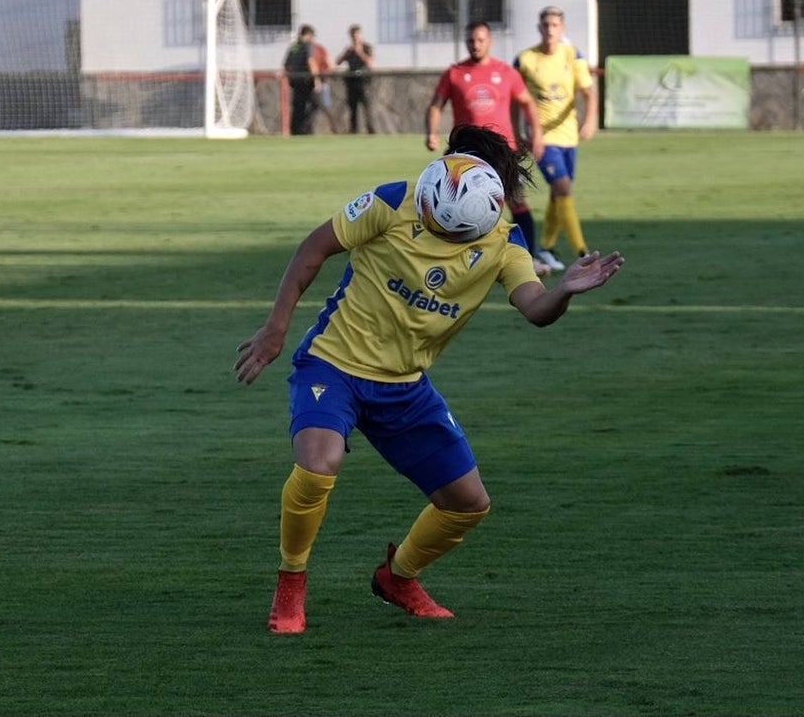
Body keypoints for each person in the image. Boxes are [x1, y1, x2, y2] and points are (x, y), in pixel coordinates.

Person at [234, 124, 624, 634]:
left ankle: (398, 577)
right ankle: (291, 583)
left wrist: (565, 290)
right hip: (333, 364)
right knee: (318, 464)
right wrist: (274, 329)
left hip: (404, 387)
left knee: (468, 503)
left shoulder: (506, 242)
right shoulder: (394, 200)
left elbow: (534, 308)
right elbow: (312, 250)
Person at [426, 20, 551, 277]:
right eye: (471, 40)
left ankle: (527, 257)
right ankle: (454, 260)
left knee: (517, 203)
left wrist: (536, 135)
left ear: (490, 41)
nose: (475, 45)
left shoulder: (506, 72)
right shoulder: (455, 73)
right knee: (459, 206)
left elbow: (527, 103)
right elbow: (436, 105)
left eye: (480, 40)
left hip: (503, 152)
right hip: (465, 155)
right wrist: (432, 132)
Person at [514, 5, 599, 271]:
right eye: (545, 25)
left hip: (569, 136)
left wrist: (590, 120)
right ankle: (582, 252)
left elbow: (588, 92)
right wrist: (518, 132)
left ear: (562, 29)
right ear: (539, 28)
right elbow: (514, 97)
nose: (550, 30)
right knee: (563, 189)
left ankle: (547, 247)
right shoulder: (526, 59)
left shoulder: (573, 55)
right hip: (543, 138)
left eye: (554, 25)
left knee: (557, 195)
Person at [283, 24, 322, 136]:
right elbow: (311, 62)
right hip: (306, 80)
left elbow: (286, 64)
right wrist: (316, 79)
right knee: (315, 104)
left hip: (295, 80)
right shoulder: (308, 46)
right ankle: (306, 128)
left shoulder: (294, 47)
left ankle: (295, 129)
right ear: (309, 35)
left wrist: (291, 77)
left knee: (298, 106)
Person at [336, 24, 376, 134]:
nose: (355, 38)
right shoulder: (349, 50)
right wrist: (346, 54)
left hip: (364, 81)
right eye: (353, 36)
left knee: (367, 107)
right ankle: (353, 130)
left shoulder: (367, 47)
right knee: (352, 108)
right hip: (352, 81)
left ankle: (370, 129)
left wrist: (360, 52)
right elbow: (338, 62)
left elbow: (370, 63)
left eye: (357, 35)